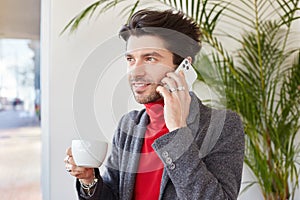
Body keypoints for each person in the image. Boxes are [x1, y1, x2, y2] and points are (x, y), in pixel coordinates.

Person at [64, 9, 245, 200]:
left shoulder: (221, 125)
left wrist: (177, 132)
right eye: (130, 59)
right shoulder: (129, 125)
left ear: (183, 66)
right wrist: (89, 180)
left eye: (150, 58)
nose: (135, 72)